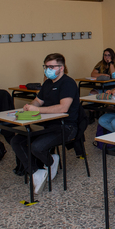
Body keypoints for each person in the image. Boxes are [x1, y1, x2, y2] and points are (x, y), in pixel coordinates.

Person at [11, 53, 84, 194]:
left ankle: (51, 161)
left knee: (36, 147)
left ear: (61, 68)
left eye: (51, 67)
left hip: (66, 127)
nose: (47, 70)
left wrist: (37, 109)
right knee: (16, 141)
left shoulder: (68, 83)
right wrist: (30, 106)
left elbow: (63, 108)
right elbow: (38, 101)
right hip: (47, 125)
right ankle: (35, 172)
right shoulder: (47, 84)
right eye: (46, 67)